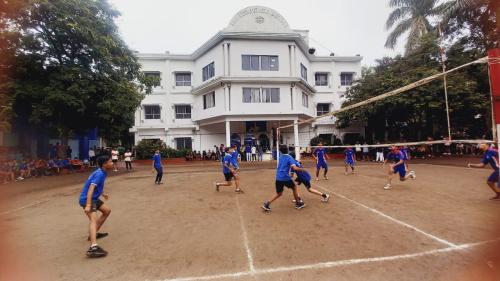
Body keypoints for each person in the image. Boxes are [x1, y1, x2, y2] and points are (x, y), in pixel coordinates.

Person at [78, 156, 112, 258]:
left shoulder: (102, 171)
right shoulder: (100, 174)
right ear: (105, 164)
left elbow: (97, 186)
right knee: (94, 219)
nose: (112, 163)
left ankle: (94, 233)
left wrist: (102, 193)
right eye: (110, 162)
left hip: (94, 198)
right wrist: (88, 205)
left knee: (107, 211)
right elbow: (91, 189)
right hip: (87, 199)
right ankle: (93, 247)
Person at [261, 145, 306, 211]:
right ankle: (298, 203)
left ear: (281, 151)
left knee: (279, 193)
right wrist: (302, 169)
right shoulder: (289, 157)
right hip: (285, 177)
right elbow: (294, 168)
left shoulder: (280, 157)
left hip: (278, 177)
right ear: (287, 150)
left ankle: (267, 204)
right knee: (294, 187)